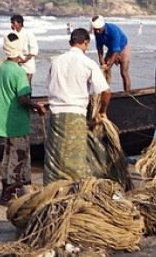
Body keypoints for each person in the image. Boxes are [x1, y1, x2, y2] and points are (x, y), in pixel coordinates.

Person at [44, 28, 111, 185]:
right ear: (86, 43)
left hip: (56, 115)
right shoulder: (88, 63)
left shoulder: (56, 61)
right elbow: (106, 92)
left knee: (56, 157)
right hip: (76, 114)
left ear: (70, 43)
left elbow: (49, 86)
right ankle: (75, 189)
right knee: (76, 158)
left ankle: (53, 189)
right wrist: (102, 112)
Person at [0, 33, 45, 201]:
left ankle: (6, 190)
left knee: (8, 156)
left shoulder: (3, 67)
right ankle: (12, 193)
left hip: (5, 121)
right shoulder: (18, 72)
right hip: (17, 121)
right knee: (19, 157)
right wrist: (37, 106)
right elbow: (23, 99)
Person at [90, 15, 131, 91]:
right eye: (95, 30)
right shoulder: (97, 33)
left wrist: (110, 64)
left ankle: (127, 93)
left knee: (124, 72)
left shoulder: (113, 30)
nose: (97, 31)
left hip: (123, 46)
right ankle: (105, 92)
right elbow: (99, 48)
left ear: (103, 26)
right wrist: (101, 60)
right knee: (104, 69)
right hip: (112, 48)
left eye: (99, 30)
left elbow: (116, 51)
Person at [10, 14, 39, 87]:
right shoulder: (14, 33)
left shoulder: (28, 33)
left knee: (27, 82)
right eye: (11, 23)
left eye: (13, 22)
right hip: (17, 60)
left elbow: (34, 49)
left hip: (27, 60)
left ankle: (28, 98)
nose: (12, 24)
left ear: (19, 23)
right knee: (17, 83)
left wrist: (25, 60)